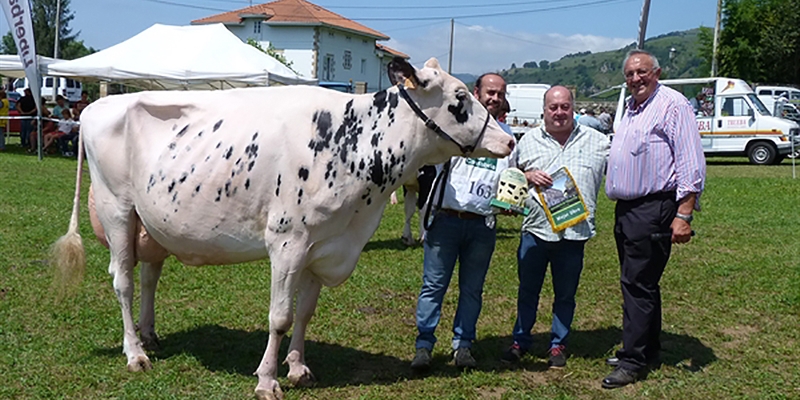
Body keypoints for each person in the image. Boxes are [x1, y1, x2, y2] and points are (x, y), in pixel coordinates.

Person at [602, 49, 705, 389]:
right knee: (641, 282)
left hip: (654, 207)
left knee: (637, 283)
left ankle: (632, 360)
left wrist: (684, 214)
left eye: (642, 72)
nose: (635, 79)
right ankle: (648, 347)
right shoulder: (631, 107)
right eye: (630, 74)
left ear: (657, 72)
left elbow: (690, 161)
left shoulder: (673, 105)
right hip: (628, 209)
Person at [410, 73, 517, 371]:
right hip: (446, 220)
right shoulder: (453, 127)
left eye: (500, 93)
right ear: (476, 93)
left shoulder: (507, 137)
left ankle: (463, 346)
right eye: (489, 92)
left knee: (472, 289)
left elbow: (509, 180)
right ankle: (424, 345)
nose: (494, 98)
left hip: (483, 225)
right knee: (433, 285)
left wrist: (509, 203)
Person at [500, 86, 610, 368]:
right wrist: (526, 175)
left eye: (564, 107)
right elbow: (508, 177)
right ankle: (520, 340)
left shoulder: (599, 142)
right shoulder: (527, 141)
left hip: (574, 234)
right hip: (535, 231)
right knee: (528, 290)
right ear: (544, 110)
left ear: (573, 108)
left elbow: (624, 173)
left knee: (565, 294)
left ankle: (558, 344)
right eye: (553, 107)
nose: (559, 112)